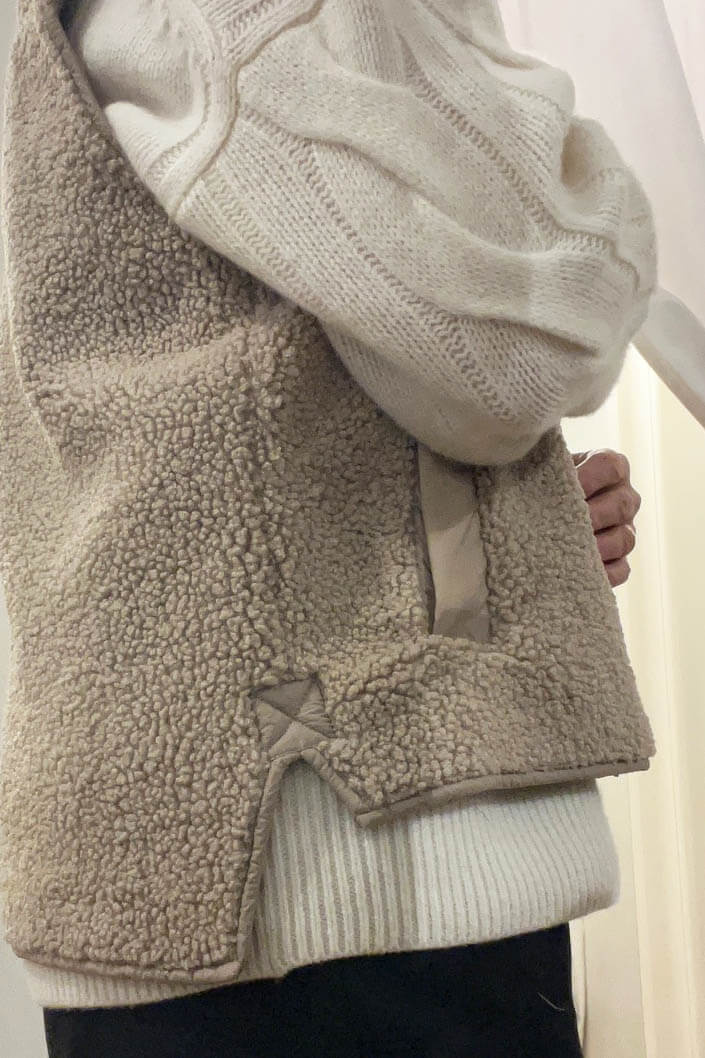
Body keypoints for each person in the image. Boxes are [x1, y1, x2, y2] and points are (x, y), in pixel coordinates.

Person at [0, 1, 656, 1055]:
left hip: (206, 863)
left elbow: (217, 386)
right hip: (354, 877)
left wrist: (519, 538)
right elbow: (540, 331)